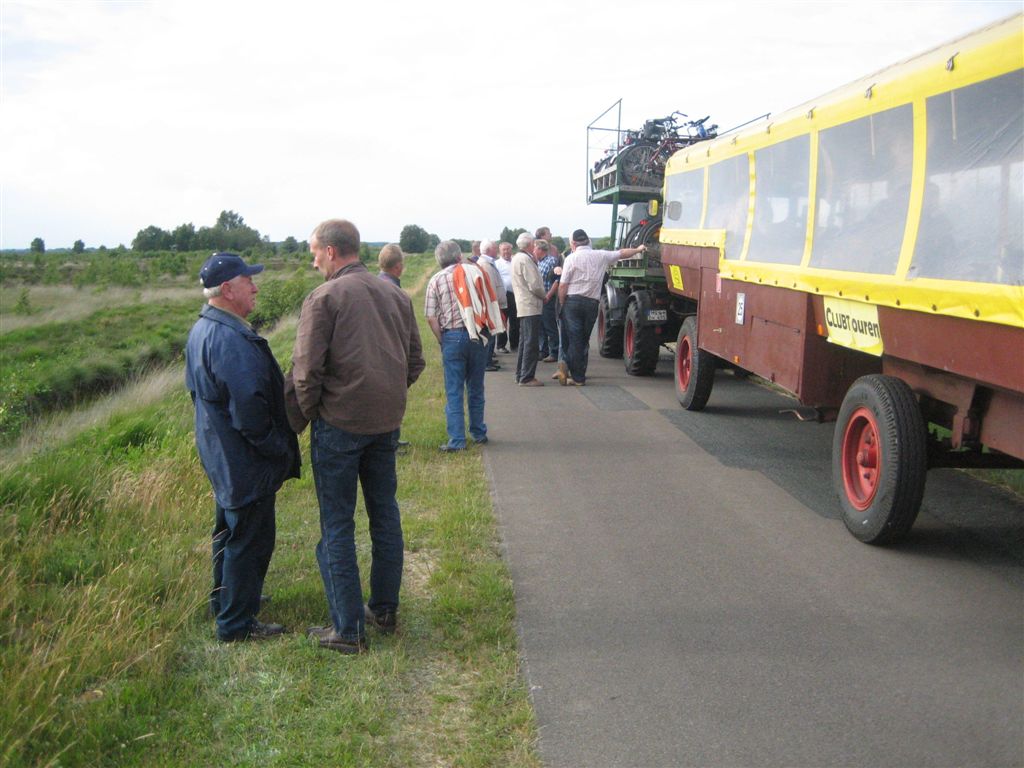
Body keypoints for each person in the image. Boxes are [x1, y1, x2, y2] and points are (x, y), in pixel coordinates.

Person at [289, 219, 425, 654]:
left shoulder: (324, 298)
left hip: (340, 427)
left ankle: (348, 630)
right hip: (385, 424)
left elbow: (305, 371)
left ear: (331, 251)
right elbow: (415, 361)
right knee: (385, 515)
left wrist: (315, 412)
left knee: (337, 525)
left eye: (313, 252)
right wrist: (385, 396)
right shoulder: (394, 294)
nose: (312, 261)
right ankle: (383, 609)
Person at [185, 252, 300, 643]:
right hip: (242, 460)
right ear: (229, 289)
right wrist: (276, 447)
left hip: (222, 454)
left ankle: (229, 599)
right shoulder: (230, 339)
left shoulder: (203, 328)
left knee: (228, 532)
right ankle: (236, 624)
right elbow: (249, 410)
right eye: (248, 280)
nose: (255, 286)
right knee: (249, 539)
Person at [425, 239, 503, 451]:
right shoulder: (474, 273)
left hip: (452, 336)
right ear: (459, 255)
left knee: (454, 390)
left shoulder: (436, 280)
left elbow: (431, 316)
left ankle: (457, 439)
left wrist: (442, 339)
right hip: (477, 335)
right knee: (476, 387)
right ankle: (478, 432)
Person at [557, 229, 646, 386]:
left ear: (573, 243)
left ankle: (573, 372)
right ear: (588, 241)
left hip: (573, 301)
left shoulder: (571, 259)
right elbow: (622, 253)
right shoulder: (601, 255)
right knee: (583, 339)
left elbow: (563, 285)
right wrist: (638, 250)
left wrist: (562, 302)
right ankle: (576, 373)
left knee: (575, 338)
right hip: (592, 302)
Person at [511, 232, 547, 386]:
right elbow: (535, 284)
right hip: (530, 305)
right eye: (533, 243)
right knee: (531, 343)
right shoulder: (525, 259)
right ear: (530, 244)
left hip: (524, 305)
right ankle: (527, 377)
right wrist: (544, 295)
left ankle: (521, 373)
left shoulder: (517, 258)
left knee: (525, 341)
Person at [477, 239, 507, 371]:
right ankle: (486, 361)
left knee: (492, 334)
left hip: (492, 304)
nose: (497, 250)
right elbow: (490, 288)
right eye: (495, 248)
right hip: (491, 305)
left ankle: (488, 359)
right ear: (489, 250)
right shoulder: (485, 265)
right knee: (490, 333)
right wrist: (495, 305)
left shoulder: (487, 263)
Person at [533, 230, 560, 362]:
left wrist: (548, 296)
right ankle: (543, 350)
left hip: (548, 298)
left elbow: (557, 280)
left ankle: (554, 352)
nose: (533, 251)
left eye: (535, 248)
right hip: (540, 298)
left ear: (541, 250)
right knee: (541, 326)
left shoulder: (551, 261)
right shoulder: (538, 262)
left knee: (550, 325)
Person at [495, 241, 517, 352]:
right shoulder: (497, 264)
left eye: (508, 249)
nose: (506, 252)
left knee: (515, 321)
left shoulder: (515, 261)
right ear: (500, 251)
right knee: (503, 320)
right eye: (504, 250)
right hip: (503, 295)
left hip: (515, 294)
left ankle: (514, 344)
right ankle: (501, 345)